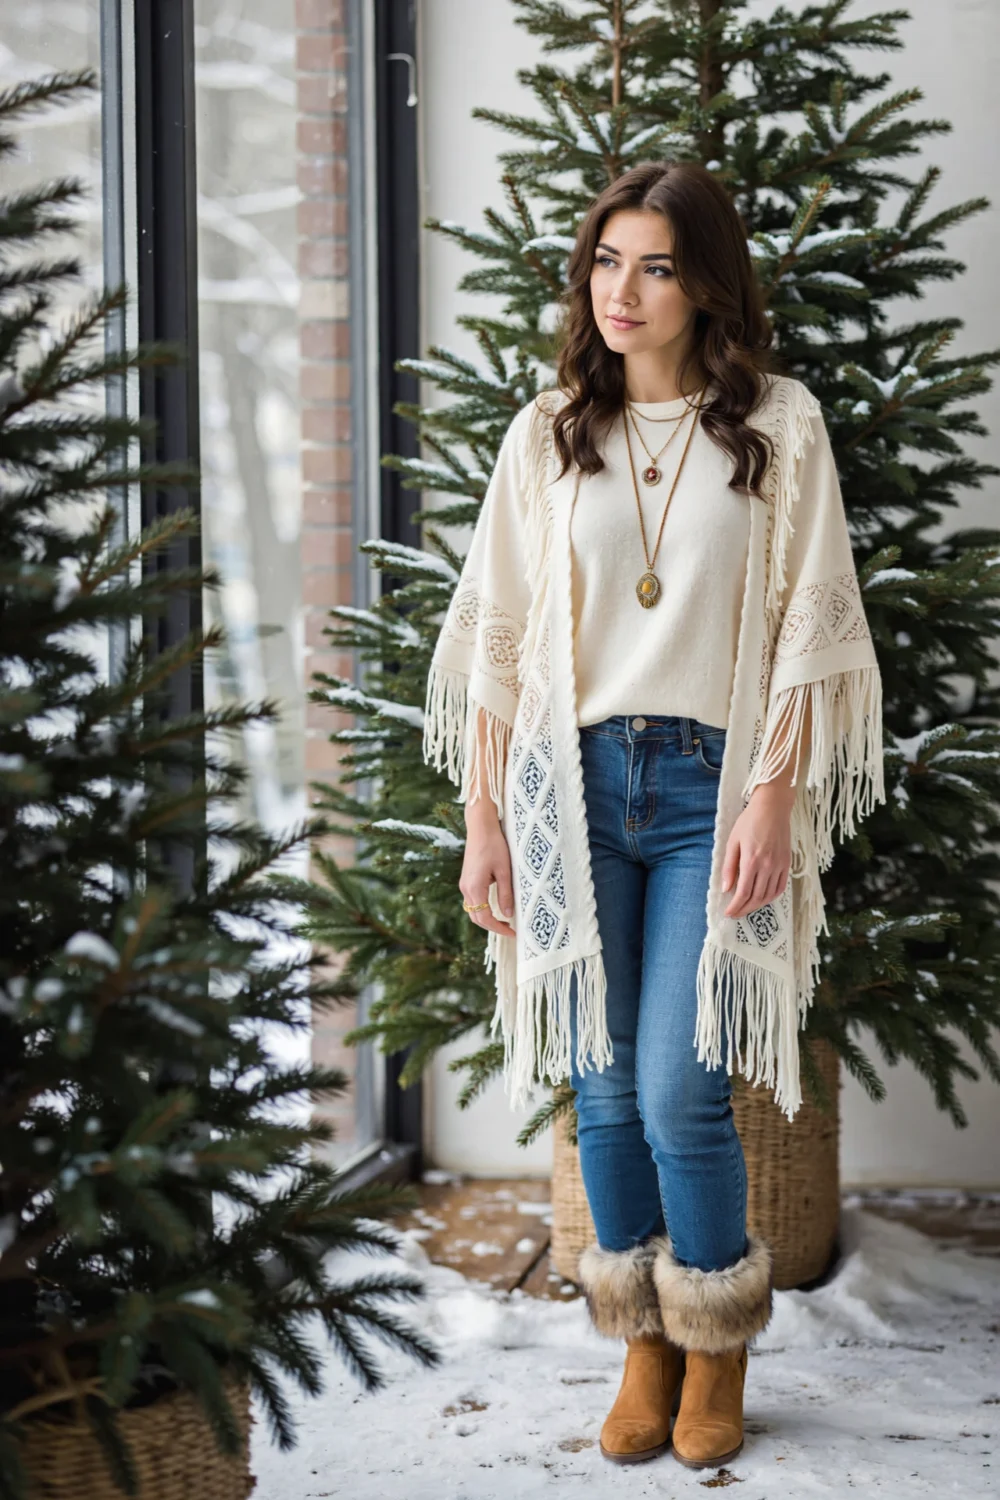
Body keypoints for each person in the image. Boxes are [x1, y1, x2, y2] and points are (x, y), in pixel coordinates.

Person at [422, 160, 884, 1470]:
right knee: (605, 1086)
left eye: (656, 266)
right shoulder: (548, 432)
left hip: (708, 788)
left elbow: (807, 625)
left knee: (684, 1088)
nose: (621, 291)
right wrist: (485, 824)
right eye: (607, 263)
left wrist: (776, 798)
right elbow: (501, 644)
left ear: (705, 285)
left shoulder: (780, 428)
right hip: (569, 790)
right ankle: (646, 1341)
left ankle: (721, 1335)